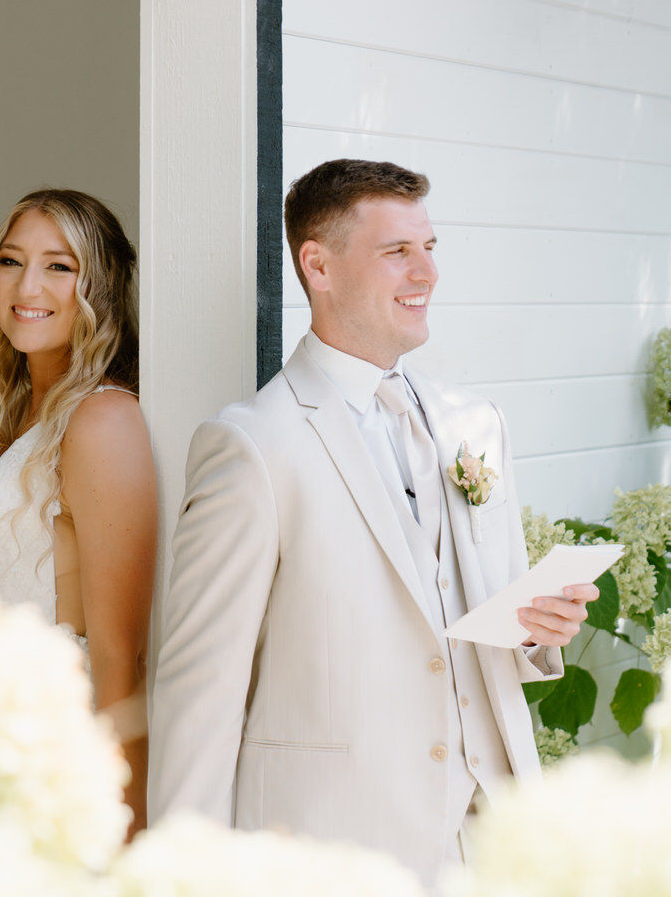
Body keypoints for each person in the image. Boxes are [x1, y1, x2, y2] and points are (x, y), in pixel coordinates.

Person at [148, 159, 599, 890]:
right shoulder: (254, 446)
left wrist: (531, 625)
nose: (427, 272)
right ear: (317, 266)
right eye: (397, 252)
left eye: (430, 247)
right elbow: (198, 696)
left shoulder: (474, 424)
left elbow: (467, 629)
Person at [0, 189, 156, 833]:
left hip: (52, 754)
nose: (27, 284)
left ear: (100, 286)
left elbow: (120, 653)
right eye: (11, 261)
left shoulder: (104, 419)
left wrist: (122, 832)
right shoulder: (14, 411)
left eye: (59, 266)